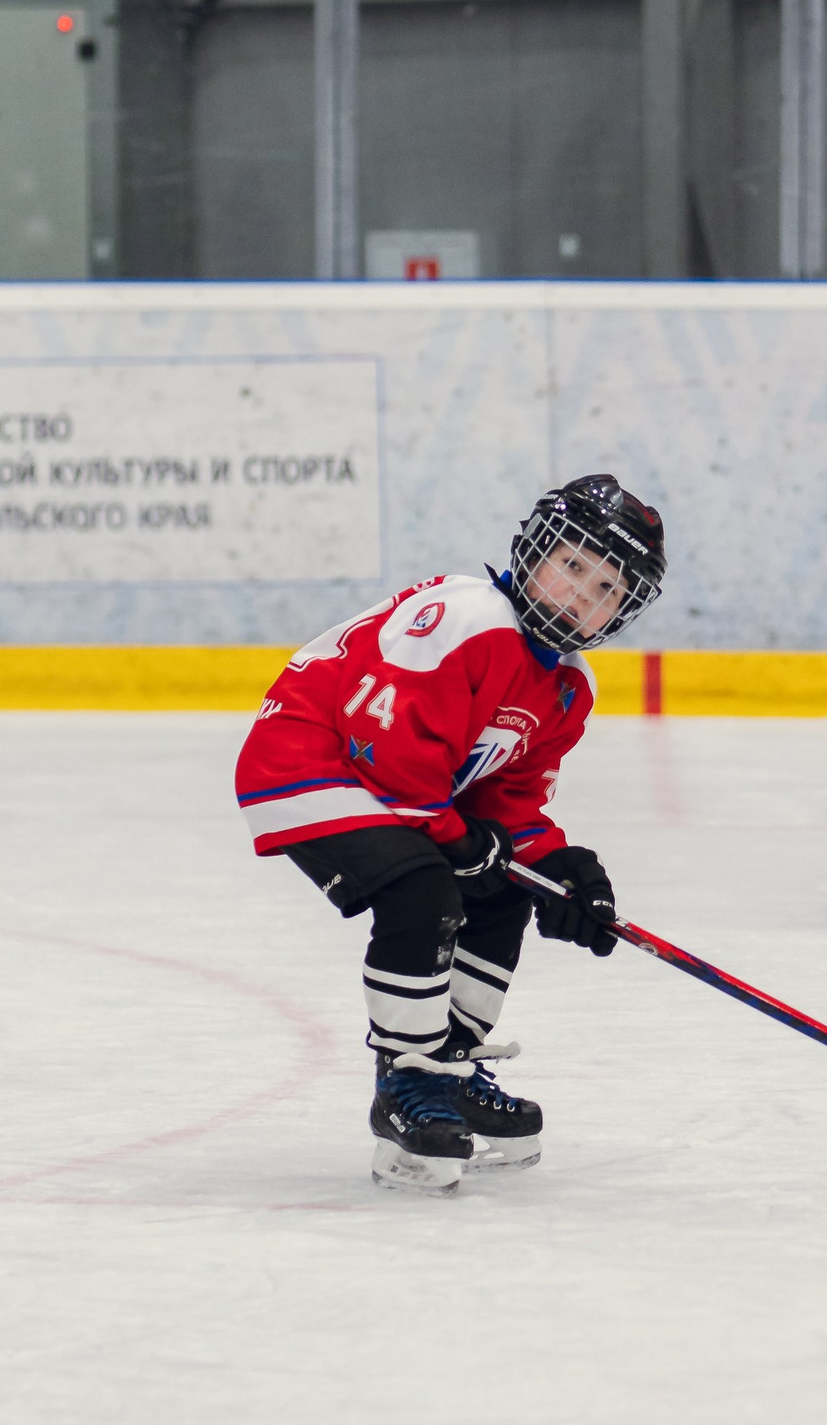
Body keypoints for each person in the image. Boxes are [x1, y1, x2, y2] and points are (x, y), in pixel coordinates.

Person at [236, 473, 664, 1192]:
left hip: (394, 793)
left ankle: (450, 1067)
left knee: (501, 893)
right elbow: (386, 747)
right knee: (425, 889)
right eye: (573, 567)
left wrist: (560, 867)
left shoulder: (566, 687)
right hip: (309, 765)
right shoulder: (465, 614)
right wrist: (462, 842)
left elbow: (510, 801)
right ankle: (406, 1079)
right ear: (534, 552)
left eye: (604, 591)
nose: (580, 596)